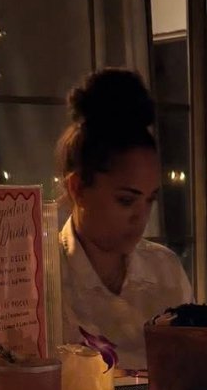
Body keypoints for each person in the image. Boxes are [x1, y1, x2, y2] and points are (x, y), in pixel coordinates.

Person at [57, 69, 193, 372]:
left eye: (150, 199)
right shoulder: (45, 282)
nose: (141, 216)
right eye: (126, 200)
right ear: (77, 188)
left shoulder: (165, 272)